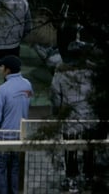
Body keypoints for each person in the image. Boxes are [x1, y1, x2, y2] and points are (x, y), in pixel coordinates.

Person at [51, 38, 99, 192]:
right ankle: (88, 177)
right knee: (89, 148)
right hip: (89, 117)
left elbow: (55, 95)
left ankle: (72, 179)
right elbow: (98, 94)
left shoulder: (60, 72)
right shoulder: (92, 71)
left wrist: (58, 112)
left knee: (70, 148)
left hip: (69, 118)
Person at [0, 55, 33, 194]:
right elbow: (22, 100)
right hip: (21, 137)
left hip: (4, 138)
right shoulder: (27, 85)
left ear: (8, 70)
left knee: (0, 171)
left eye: (2, 67)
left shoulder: (3, 90)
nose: (0, 69)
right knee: (15, 170)